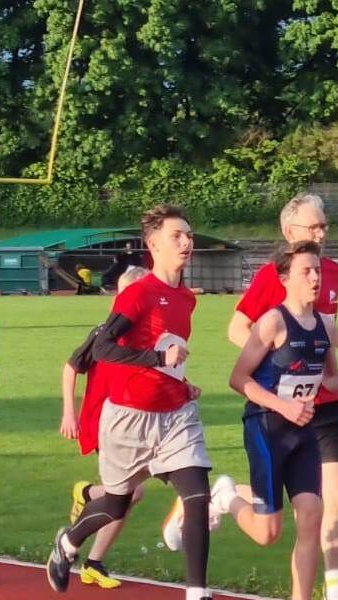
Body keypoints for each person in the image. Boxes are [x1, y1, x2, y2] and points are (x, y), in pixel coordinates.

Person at [46, 205, 213, 600]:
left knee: (198, 497)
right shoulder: (139, 294)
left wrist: (182, 381)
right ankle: (68, 542)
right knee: (116, 505)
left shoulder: (186, 298)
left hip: (175, 416)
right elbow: (103, 348)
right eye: (176, 236)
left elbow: (168, 354)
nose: (186, 242)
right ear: (153, 245)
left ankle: (197, 592)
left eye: (189, 235)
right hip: (128, 419)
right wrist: (158, 359)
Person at [227, 193, 338, 600]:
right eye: (307, 271)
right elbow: (238, 376)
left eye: (317, 271)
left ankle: (313, 594)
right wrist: (279, 390)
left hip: (309, 425)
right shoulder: (272, 318)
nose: (316, 278)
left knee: (315, 511)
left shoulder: (325, 318)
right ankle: (226, 495)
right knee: (268, 532)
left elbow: (330, 373)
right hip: (269, 425)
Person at [59, 266, 149, 589]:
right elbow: (71, 367)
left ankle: (87, 497)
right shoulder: (104, 334)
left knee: (128, 493)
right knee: (129, 492)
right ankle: (93, 561)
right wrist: (69, 413)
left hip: (136, 422)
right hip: (104, 422)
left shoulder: (148, 337)